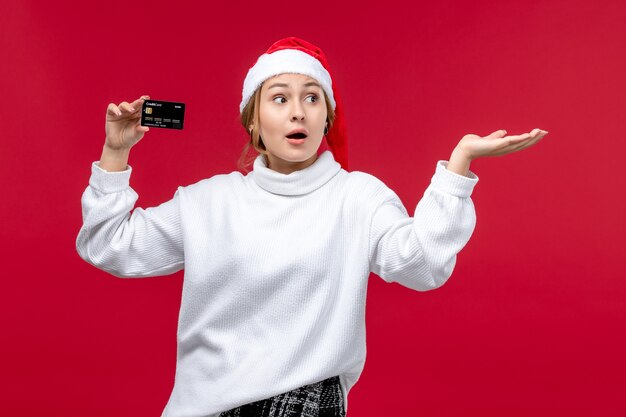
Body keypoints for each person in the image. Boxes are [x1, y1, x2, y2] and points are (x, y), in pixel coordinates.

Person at [76, 36, 548, 417]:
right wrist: (115, 153)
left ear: (327, 117)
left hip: (307, 405)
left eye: (311, 98)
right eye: (279, 99)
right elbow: (111, 245)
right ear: (254, 121)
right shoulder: (208, 202)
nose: (297, 111)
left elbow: (421, 266)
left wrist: (458, 168)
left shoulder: (358, 197)